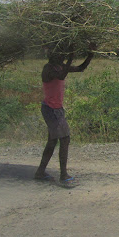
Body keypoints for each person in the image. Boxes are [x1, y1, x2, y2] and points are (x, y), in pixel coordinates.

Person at [34, 45, 94, 187]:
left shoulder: (59, 66)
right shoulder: (48, 69)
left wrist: (90, 54)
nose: (63, 57)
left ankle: (40, 172)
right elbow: (62, 75)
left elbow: (80, 68)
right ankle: (63, 176)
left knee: (52, 141)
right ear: (54, 56)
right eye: (61, 55)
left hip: (56, 109)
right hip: (51, 109)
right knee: (65, 139)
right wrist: (71, 56)